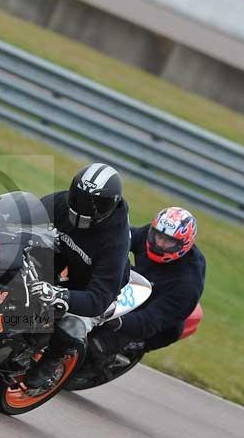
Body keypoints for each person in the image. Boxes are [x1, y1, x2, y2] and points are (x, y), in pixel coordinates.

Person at [24, 163, 131, 389]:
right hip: (63, 258)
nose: (85, 207)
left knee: (72, 324)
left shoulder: (115, 242)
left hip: (93, 288)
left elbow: (98, 299)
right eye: (80, 197)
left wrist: (60, 294)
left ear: (110, 206)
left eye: (95, 204)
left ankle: (51, 360)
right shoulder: (63, 202)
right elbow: (26, 215)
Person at [88, 207, 206, 367]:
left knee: (96, 345)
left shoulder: (187, 285)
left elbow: (149, 322)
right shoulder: (150, 236)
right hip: (140, 284)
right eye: (158, 235)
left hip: (158, 318)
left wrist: (112, 320)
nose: (160, 244)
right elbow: (119, 238)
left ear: (183, 245)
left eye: (169, 241)